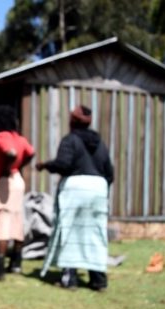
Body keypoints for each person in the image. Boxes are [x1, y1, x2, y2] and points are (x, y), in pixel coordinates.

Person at [36, 105, 114, 291]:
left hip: (75, 189)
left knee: (70, 233)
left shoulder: (70, 140)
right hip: (98, 189)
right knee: (95, 234)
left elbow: (64, 164)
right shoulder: (100, 142)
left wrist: (46, 165)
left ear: (72, 121)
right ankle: (98, 280)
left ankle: (69, 279)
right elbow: (109, 173)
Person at [0, 105, 35, 280]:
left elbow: (10, 153)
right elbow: (31, 153)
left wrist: (5, 169)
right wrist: (16, 168)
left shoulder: (1, 136)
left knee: (2, 222)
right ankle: (16, 264)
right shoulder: (19, 138)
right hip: (16, 181)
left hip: (3, 183)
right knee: (16, 220)